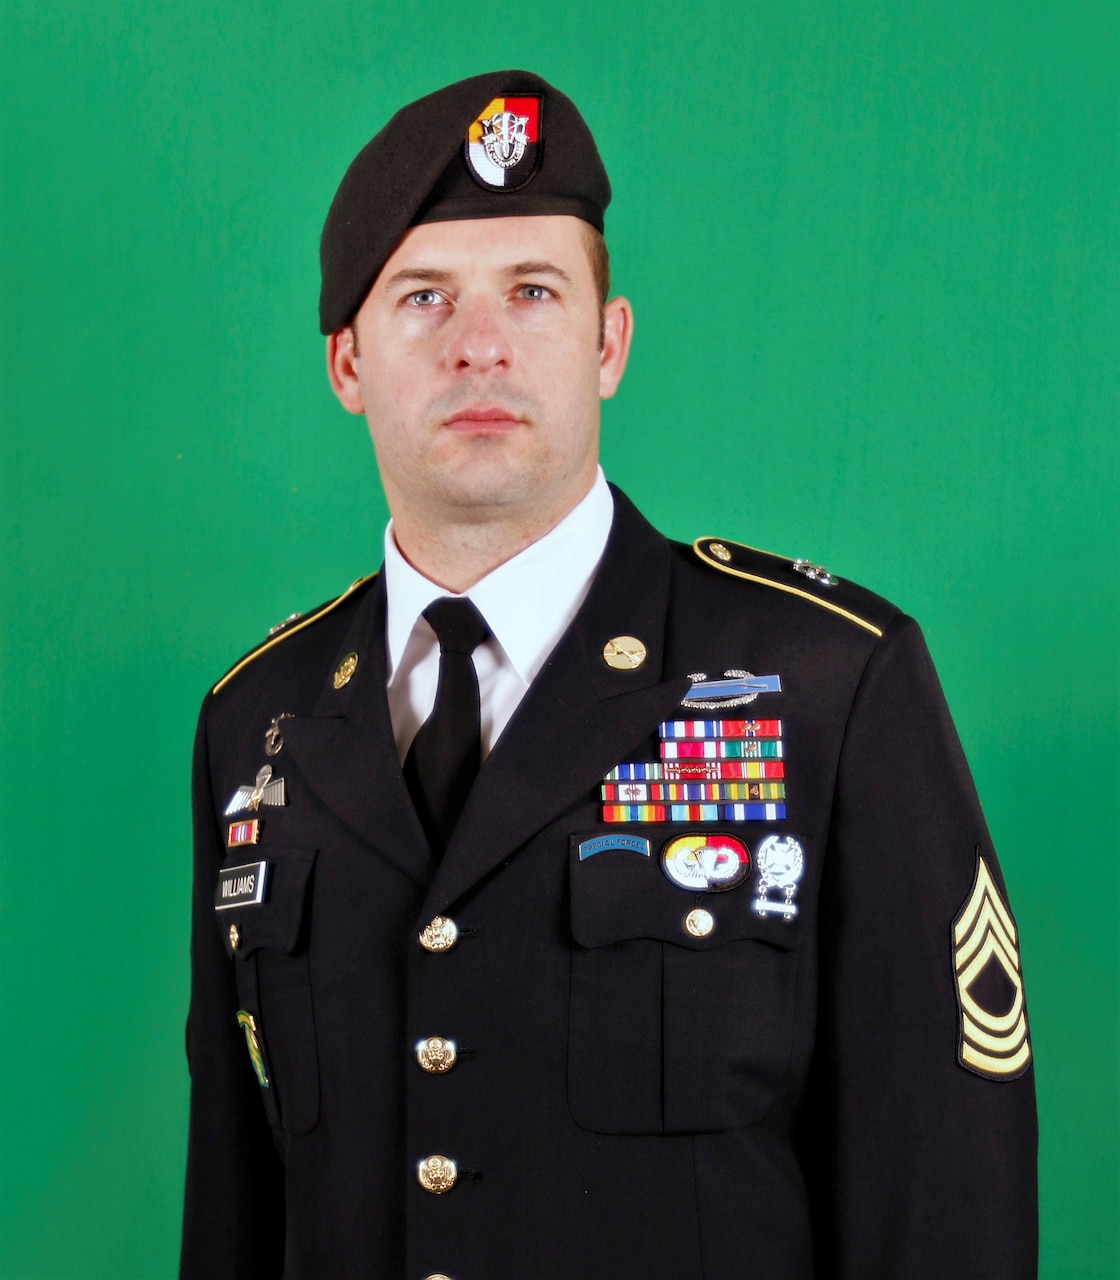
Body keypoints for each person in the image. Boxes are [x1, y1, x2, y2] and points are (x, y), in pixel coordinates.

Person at [180, 70, 1038, 1279]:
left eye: (532, 290)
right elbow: (235, 1200)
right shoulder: (255, 722)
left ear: (608, 342)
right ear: (347, 363)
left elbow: (945, 1199)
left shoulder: (829, 682)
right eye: (423, 297)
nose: (480, 343)